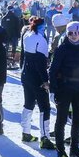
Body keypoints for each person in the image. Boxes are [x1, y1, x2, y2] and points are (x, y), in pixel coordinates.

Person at [48, 21, 79, 157]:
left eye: (76, 33)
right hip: (64, 88)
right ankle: (60, 150)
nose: (74, 36)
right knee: (61, 120)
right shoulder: (62, 49)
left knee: (78, 120)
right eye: (70, 33)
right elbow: (53, 70)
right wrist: (53, 90)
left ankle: (74, 149)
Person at [20, 17, 52, 146]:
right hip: (37, 77)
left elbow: (24, 55)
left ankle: (26, 132)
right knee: (45, 107)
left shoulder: (26, 35)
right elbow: (41, 64)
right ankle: (45, 137)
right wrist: (45, 81)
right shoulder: (41, 40)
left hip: (26, 74)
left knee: (28, 103)